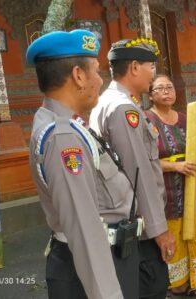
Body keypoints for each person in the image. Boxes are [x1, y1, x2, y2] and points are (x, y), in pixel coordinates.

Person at [27, 30, 141, 298]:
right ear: (79, 76)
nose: (101, 80)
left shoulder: (63, 123)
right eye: (97, 71)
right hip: (89, 270)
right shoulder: (63, 137)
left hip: (97, 259)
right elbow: (84, 227)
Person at [89, 38, 175, 299]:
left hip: (126, 219)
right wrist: (159, 229)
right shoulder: (124, 109)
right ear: (135, 67)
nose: (153, 74)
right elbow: (140, 174)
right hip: (137, 223)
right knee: (152, 287)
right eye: (151, 67)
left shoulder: (110, 101)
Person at [144, 75, 196, 296]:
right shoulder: (145, 120)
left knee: (193, 232)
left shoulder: (185, 118)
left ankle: (194, 279)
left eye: (169, 87)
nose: (167, 92)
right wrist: (176, 167)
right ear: (150, 94)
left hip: (190, 185)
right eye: (160, 88)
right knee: (172, 235)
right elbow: (143, 161)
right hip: (165, 189)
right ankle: (175, 284)